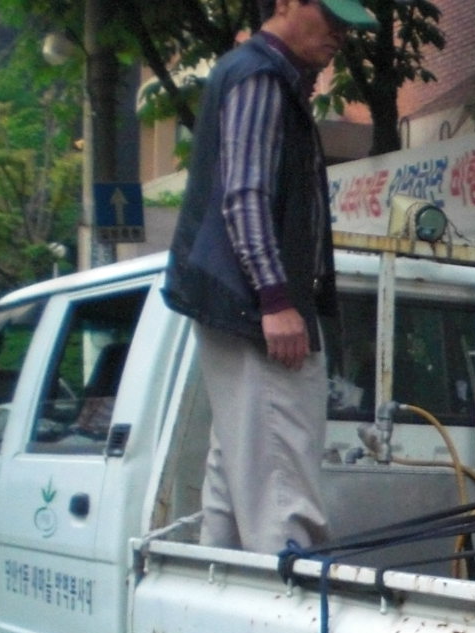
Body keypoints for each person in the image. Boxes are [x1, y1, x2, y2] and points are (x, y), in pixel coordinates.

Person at [162, 0, 378, 553]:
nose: (340, 35)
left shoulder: (257, 73)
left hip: (235, 304)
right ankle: (289, 610)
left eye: (348, 25)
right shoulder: (261, 76)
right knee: (282, 481)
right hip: (255, 308)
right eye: (330, 17)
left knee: (238, 468)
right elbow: (246, 197)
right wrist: (276, 298)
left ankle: (223, 595)